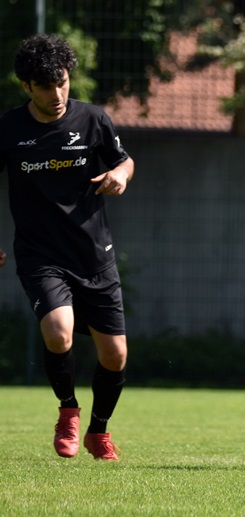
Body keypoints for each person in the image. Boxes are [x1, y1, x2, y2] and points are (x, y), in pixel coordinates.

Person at [0, 34, 135, 461]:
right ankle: (68, 411)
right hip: (41, 255)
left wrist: (120, 175)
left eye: (62, 82)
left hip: (94, 254)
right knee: (59, 332)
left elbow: (123, 160)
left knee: (115, 355)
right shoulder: (9, 129)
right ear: (26, 86)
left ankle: (98, 431)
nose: (57, 94)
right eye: (45, 87)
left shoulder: (93, 119)